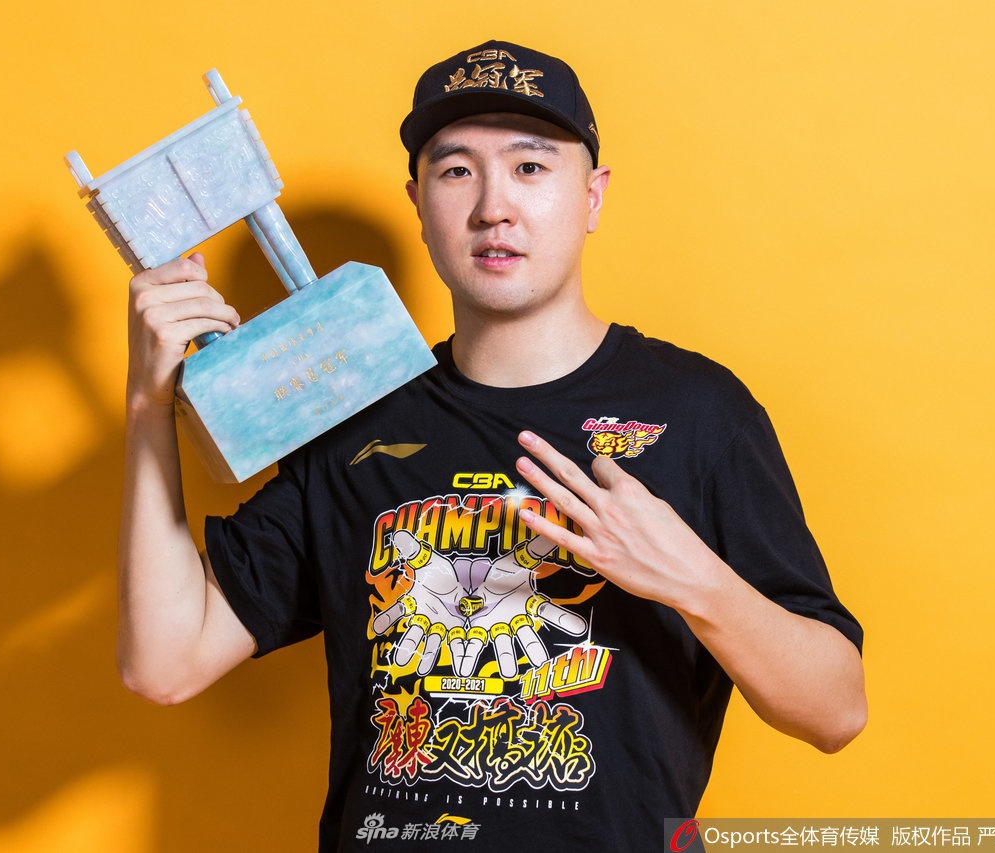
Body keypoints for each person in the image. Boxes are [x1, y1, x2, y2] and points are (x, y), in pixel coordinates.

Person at [117, 39, 867, 851]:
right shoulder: (358, 424)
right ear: (419, 203)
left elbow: (835, 710)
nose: (493, 207)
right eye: (456, 171)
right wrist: (148, 405)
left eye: (530, 167)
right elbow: (165, 661)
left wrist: (690, 577)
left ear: (592, 195)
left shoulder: (698, 412)